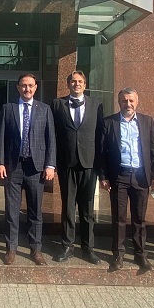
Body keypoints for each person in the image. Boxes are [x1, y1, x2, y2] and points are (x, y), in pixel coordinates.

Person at [0, 73, 56, 266]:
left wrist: (50, 165)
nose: (27, 89)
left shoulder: (44, 109)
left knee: (35, 211)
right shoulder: (8, 108)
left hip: (36, 168)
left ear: (35, 87)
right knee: (11, 210)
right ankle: (11, 249)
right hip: (13, 166)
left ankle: (36, 249)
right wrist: (0, 163)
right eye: (23, 85)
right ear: (18, 88)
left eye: (30, 85)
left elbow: (51, 139)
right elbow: (0, 137)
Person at [98, 88, 154, 271]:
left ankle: (140, 254)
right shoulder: (109, 122)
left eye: (131, 100)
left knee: (139, 218)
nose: (128, 104)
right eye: (124, 100)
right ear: (119, 102)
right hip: (119, 176)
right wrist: (103, 176)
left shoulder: (147, 122)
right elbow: (101, 152)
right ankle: (118, 254)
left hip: (141, 176)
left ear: (137, 101)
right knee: (118, 217)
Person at [51, 71, 104, 264]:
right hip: (67, 163)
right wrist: (53, 163)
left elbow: (100, 136)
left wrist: (100, 165)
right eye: (73, 81)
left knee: (87, 208)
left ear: (85, 84)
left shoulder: (96, 104)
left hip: (89, 163)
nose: (77, 84)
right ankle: (67, 246)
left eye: (80, 81)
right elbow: (53, 135)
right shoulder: (57, 104)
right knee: (67, 206)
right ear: (68, 84)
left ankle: (88, 248)